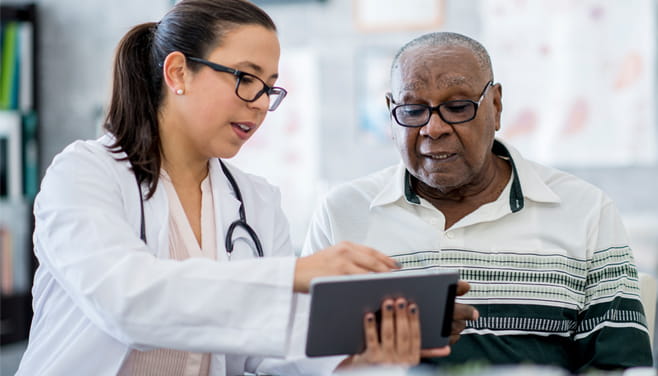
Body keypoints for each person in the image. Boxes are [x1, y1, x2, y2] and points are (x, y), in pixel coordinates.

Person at [16, 2, 464, 375]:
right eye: (245, 79)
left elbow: (268, 348)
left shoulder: (255, 200)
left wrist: (361, 348)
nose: (260, 105)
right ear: (178, 73)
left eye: (269, 88)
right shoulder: (84, 174)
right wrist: (291, 275)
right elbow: (127, 301)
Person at [302, 31, 654, 373]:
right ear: (391, 113)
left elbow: (618, 366)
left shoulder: (585, 211)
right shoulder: (342, 212)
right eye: (412, 110)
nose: (433, 128)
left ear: (496, 106)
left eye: (457, 107)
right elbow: (300, 360)